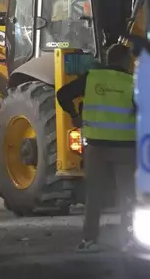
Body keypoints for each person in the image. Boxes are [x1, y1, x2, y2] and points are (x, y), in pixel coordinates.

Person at [56, 44, 136, 253]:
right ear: (126, 61)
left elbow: (63, 94)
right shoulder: (132, 83)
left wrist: (74, 115)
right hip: (126, 147)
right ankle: (129, 239)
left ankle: (89, 239)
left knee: (94, 195)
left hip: (96, 146)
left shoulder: (91, 78)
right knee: (128, 195)